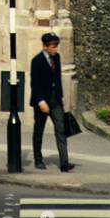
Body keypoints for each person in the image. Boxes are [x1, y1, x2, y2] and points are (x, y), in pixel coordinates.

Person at [30, 32, 74, 171]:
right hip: (43, 100)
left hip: (55, 100)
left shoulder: (57, 58)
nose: (55, 49)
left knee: (61, 130)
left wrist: (61, 97)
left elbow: (57, 78)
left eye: (56, 46)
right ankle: (38, 159)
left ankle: (64, 162)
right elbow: (35, 83)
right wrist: (41, 101)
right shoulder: (36, 61)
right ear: (45, 46)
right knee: (39, 130)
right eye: (53, 46)